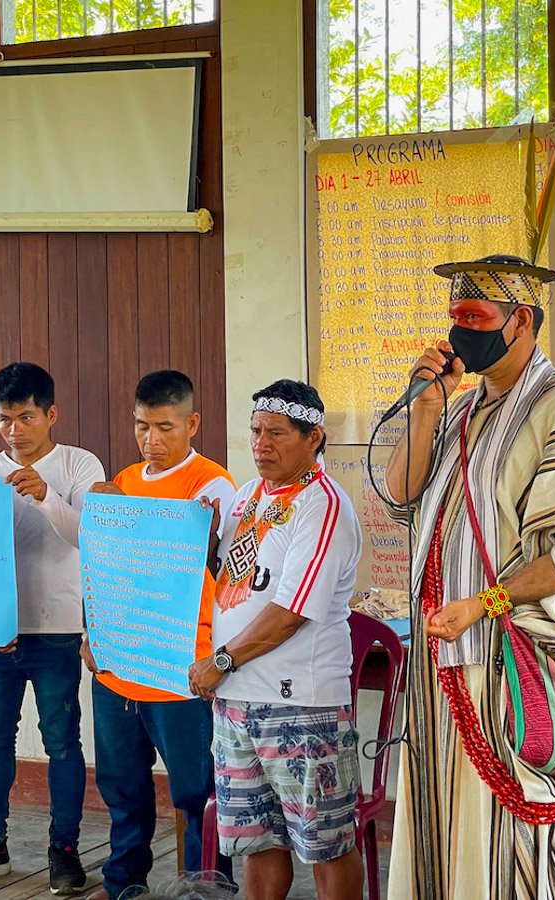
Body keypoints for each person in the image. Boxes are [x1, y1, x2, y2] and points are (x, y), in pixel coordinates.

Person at [382, 254, 555, 899]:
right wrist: (428, 410)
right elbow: (402, 493)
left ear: (521, 321)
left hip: (509, 663)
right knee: (446, 831)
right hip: (444, 660)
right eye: (454, 315)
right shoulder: (463, 411)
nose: (460, 327)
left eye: (476, 316)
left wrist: (482, 604)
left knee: (510, 836)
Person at [188, 379, 364, 900]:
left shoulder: (323, 505)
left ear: (314, 438)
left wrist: (221, 659)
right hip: (237, 701)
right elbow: (234, 584)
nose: (261, 444)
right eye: (255, 431)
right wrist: (205, 545)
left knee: (326, 844)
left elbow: (291, 612)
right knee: (257, 842)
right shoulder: (247, 496)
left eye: (277, 433)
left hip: (300, 706)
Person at [0, 362, 104, 895]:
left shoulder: (79, 465)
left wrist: (45, 496)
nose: (14, 431)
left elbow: (93, 538)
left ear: (51, 415)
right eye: (5, 420)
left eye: (26, 417)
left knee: (62, 741)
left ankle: (66, 849)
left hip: (57, 629)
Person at [83, 370, 237, 900]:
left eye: (165, 428)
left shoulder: (212, 486)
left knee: (197, 791)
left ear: (192, 423)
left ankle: (205, 885)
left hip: (182, 665)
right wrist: (93, 632)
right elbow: (104, 571)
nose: (152, 440)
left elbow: (231, 576)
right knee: (122, 785)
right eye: (142, 427)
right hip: (119, 660)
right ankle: (123, 879)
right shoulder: (121, 483)